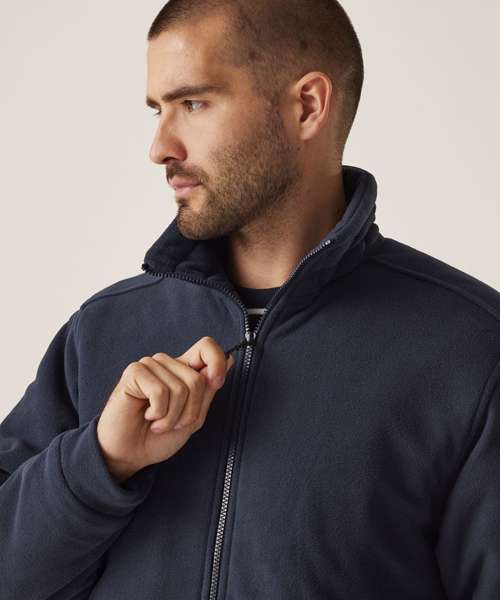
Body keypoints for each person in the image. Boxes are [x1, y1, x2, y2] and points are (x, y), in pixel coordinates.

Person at [1, 1, 499, 598]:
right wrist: (102, 463)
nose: (160, 147)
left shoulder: (469, 348)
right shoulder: (102, 330)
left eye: (193, 103)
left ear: (307, 106)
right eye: (158, 110)